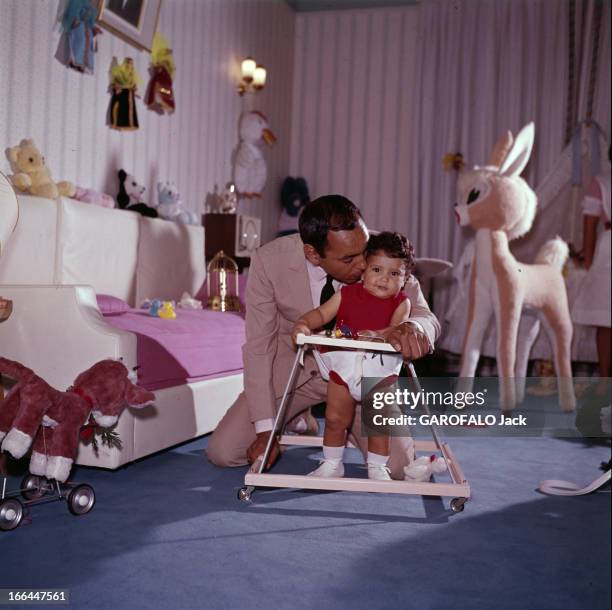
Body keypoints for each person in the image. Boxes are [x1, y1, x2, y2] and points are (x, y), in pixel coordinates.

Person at [206, 195, 440, 479]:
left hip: (362, 379)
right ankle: (297, 418)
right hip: (295, 376)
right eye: (349, 259)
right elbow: (258, 346)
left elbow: (426, 316)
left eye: (364, 251)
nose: (364, 265)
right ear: (313, 254)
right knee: (224, 453)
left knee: (400, 469)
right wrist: (266, 430)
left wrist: (415, 327)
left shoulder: (382, 252)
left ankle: (350, 428)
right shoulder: (269, 261)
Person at [291, 232, 414, 480]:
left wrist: (380, 334)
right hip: (343, 366)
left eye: (394, 274)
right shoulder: (347, 294)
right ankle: (332, 463)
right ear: (364, 269)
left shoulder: (402, 302)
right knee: (335, 417)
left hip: (378, 370)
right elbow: (321, 314)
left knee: (379, 422)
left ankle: (377, 467)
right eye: (377, 269)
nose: (383, 279)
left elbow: (395, 327)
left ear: (405, 278)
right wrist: (304, 324)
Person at [572, 149, 611, 378]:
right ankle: (605, 378)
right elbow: (589, 225)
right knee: (606, 319)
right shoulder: (602, 183)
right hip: (608, 254)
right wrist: (587, 259)